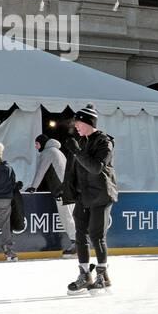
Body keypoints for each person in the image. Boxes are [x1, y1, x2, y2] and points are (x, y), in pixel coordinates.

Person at [63, 104, 119, 293]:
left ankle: (103, 275)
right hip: (83, 196)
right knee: (80, 236)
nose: (76, 126)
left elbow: (96, 168)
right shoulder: (81, 141)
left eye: (78, 122)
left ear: (88, 122)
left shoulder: (104, 142)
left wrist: (77, 152)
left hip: (101, 194)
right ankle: (85, 274)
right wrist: (69, 191)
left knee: (96, 236)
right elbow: (72, 171)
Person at [27, 134, 75, 255]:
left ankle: (77, 243)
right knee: (71, 217)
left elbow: (41, 171)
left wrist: (33, 187)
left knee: (66, 217)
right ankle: (78, 242)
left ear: (42, 143)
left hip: (61, 190)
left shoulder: (48, 152)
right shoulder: (57, 151)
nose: (36, 147)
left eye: (37, 144)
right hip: (69, 189)